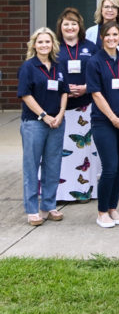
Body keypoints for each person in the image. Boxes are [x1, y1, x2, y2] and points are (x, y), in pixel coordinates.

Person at [85, 21, 119, 228]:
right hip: (104, 122)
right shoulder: (95, 62)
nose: (111, 38)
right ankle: (102, 212)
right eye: (107, 35)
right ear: (101, 37)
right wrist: (113, 118)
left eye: (115, 35)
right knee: (109, 167)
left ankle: (112, 208)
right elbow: (96, 94)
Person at [18, 27, 68, 225]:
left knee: (53, 165)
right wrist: (44, 116)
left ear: (53, 44)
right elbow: (25, 95)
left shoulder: (58, 65)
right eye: (40, 42)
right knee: (31, 166)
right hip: (34, 123)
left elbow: (64, 91)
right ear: (34, 45)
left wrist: (61, 113)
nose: (44, 45)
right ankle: (32, 210)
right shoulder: (28, 67)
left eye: (48, 42)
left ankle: (49, 206)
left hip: (57, 123)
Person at [54, 7, 100, 203]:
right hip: (61, 109)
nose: (70, 27)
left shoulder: (91, 47)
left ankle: (86, 191)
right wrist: (64, 89)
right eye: (66, 24)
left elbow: (101, 75)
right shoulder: (54, 48)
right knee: (62, 153)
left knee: (85, 153)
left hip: (86, 108)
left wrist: (86, 87)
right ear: (60, 27)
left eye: (74, 23)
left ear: (79, 26)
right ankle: (62, 193)